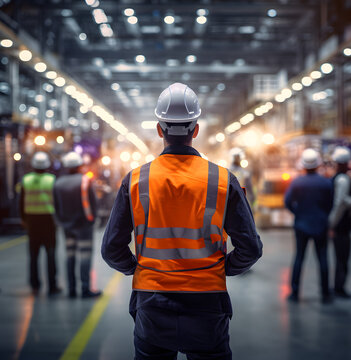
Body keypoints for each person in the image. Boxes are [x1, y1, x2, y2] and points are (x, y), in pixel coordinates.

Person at [102, 82, 262, 360]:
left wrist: (140, 270)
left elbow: (110, 248)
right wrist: (220, 270)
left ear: (159, 129)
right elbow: (251, 248)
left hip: (151, 299)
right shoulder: (223, 180)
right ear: (195, 130)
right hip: (207, 301)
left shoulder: (136, 180)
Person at [285, 148, 333, 303]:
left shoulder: (297, 182)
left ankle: (295, 293)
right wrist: (323, 215)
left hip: (301, 225)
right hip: (320, 224)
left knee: (299, 258)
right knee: (323, 258)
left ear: (303, 165)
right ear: (318, 165)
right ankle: (325, 294)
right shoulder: (326, 182)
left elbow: (287, 202)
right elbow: (330, 204)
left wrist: (298, 213)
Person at [53, 151, 101, 298]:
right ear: (80, 165)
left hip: (66, 226)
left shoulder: (58, 183)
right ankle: (85, 289)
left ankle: (71, 289)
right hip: (84, 226)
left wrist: (62, 222)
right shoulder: (85, 181)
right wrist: (93, 220)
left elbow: (55, 206)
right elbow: (93, 203)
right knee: (85, 256)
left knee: (70, 256)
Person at [20, 152, 61, 296]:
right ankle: (52, 285)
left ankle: (35, 285)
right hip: (48, 221)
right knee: (50, 254)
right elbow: (57, 202)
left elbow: (21, 202)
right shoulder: (52, 180)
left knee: (33, 255)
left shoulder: (26, 180)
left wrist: (23, 219)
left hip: (31, 220)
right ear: (46, 165)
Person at [328, 146, 351, 298]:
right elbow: (340, 203)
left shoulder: (339, 178)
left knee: (341, 258)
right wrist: (332, 225)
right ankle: (339, 288)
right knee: (342, 258)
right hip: (341, 226)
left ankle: (338, 286)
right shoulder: (342, 179)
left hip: (340, 225)